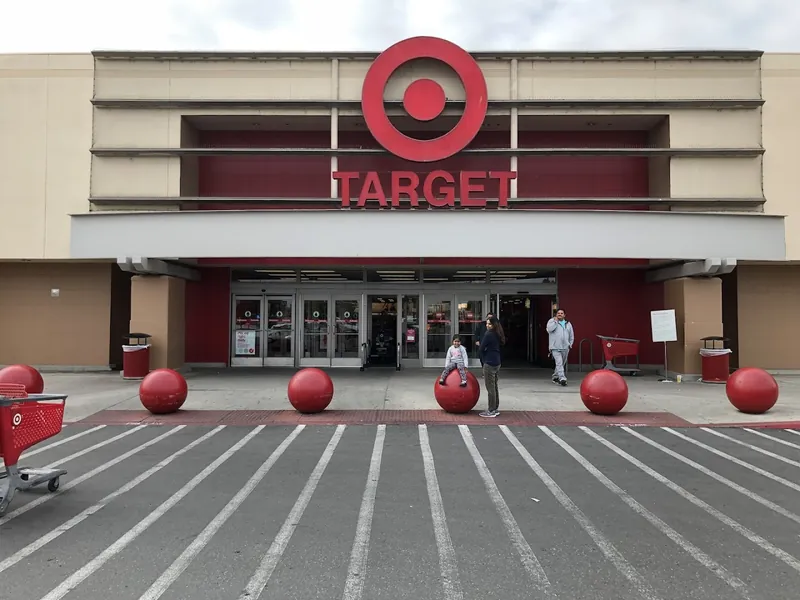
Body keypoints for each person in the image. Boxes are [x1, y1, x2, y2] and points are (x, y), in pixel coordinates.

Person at [479, 316, 504, 418]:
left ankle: (491, 410)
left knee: (490, 388)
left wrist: (483, 358)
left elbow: (481, 348)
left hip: (489, 362)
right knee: (494, 386)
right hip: (497, 361)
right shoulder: (498, 334)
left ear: (494, 325)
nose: (487, 326)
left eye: (489, 324)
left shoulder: (488, 334)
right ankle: (495, 408)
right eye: (487, 323)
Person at [547, 307, 574, 387]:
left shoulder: (568, 324)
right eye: (558, 313)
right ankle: (562, 379)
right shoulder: (551, 321)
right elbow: (549, 330)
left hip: (565, 347)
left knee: (561, 364)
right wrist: (555, 322)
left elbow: (571, 335)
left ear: (564, 315)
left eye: (561, 313)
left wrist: (570, 344)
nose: (560, 314)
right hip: (555, 347)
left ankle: (555, 377)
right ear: (556, 314)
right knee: (559, 363)